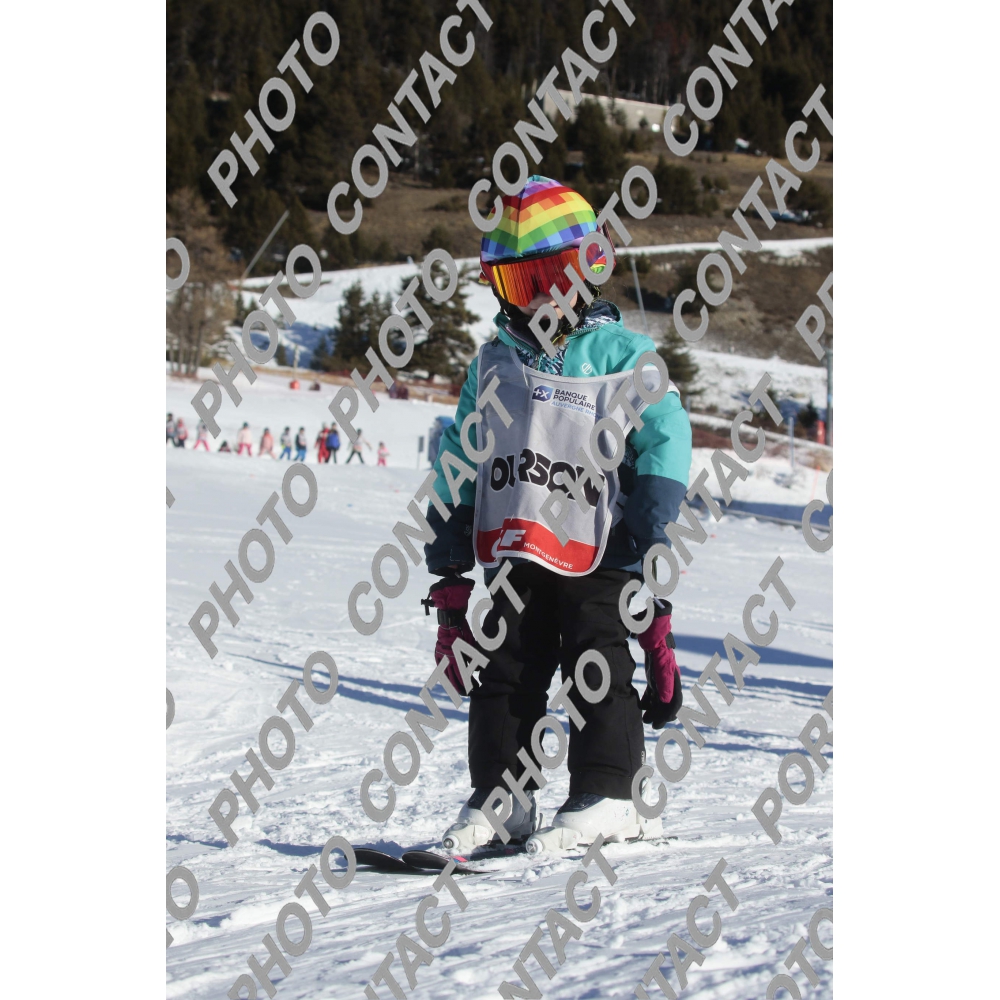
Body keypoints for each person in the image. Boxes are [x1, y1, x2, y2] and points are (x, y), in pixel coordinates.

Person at [421, 176, 691, 854]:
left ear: (588, 268)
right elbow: (462, 454)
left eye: (551, 278)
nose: (538, 297)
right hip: (521, 539)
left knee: (595, 657)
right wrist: (449, 565)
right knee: (504, 664)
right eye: (520, 283)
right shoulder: (494, 365)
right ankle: (501, 799)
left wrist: (652, 530)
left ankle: (609, 793)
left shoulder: (622, 357)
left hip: (605, 542)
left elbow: (666, 433)